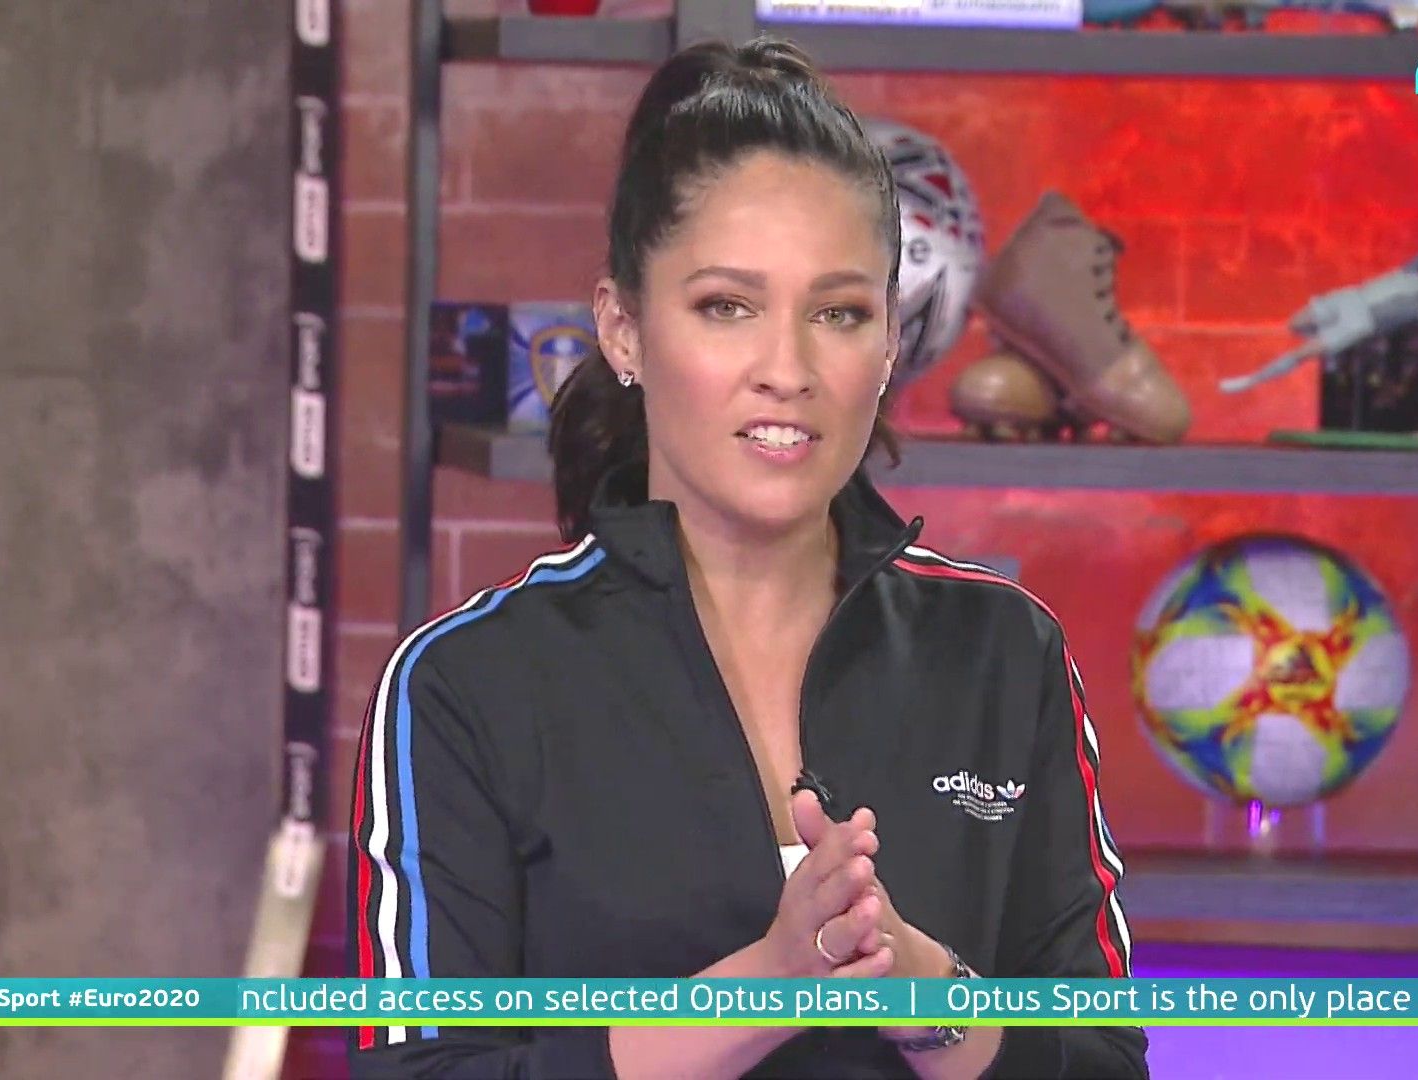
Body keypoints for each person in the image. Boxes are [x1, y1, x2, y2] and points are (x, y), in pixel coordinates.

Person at [349, 36, 1146, 1079]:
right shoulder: (466, 685)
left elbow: (1104, 1062)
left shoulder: (1006, 651)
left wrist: (924, 992)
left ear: (889, 345)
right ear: (623, 330)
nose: (787, 368)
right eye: (726, 307)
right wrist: (767, 989)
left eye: (839, 313)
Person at [1219, 237, 1418, 394]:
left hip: (1360, 323)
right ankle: (1312, 338)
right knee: (1296, 323)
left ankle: (1251, 380)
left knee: (1303, 353)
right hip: (1350, 298)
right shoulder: (1413, 271)